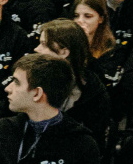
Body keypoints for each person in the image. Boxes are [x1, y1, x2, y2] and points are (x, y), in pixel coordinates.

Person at [34, 19, 113, 152]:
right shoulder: (32, 80)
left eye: (43, 44)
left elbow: (95, 145)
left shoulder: (95, 95)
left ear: (64, 52)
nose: (36, 49)